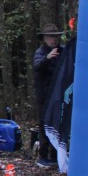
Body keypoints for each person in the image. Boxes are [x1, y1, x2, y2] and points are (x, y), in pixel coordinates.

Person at [33, 23, 64, 168]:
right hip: (45, 96)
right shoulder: (41, 52)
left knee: (58, 125)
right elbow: (37, 66)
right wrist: (47, 58)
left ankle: (56, 155)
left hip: (59, 96)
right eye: (51, 37)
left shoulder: (63, 50)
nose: (53, 39)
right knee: (45, 125)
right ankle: (44, 156)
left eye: (55, 37)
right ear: (45, 38)